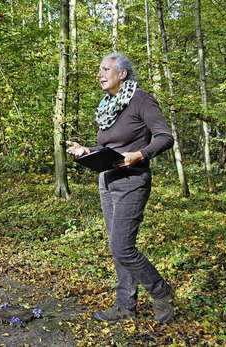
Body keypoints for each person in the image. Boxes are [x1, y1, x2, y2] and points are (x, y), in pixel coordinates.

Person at [66, 52, 175, 324]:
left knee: (123, 247)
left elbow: (165, 137)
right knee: (117, 249)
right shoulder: (109, 104)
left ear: (122, 74)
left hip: (132, 180)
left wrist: (139, 155)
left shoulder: (141, 99)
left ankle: (161, 291)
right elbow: (109, 145)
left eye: (106, 69)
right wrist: (87, 150)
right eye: (99, 69)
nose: (100, 74)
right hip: (107, 179)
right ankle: (125, 306)